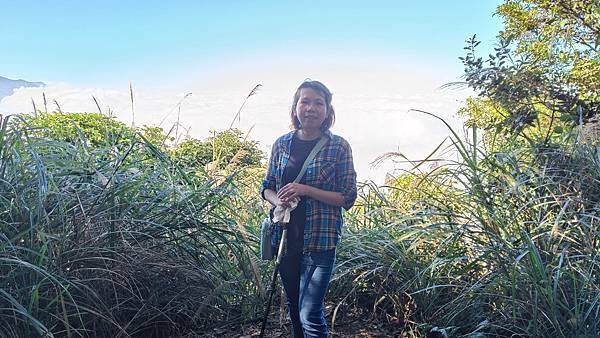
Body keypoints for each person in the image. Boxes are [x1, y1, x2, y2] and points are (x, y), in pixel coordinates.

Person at [261, 80, 357, 337]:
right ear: (295, 107)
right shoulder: (282, 144)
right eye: (305, 101)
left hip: (320, 241)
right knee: (294, 307)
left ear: (327, 110)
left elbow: (347, 197)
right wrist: (277, 200)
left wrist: (305, 190)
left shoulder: (338, 146)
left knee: (310, 314)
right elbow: (267, 186)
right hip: (284, 238)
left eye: (318, 102)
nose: (311, 108)